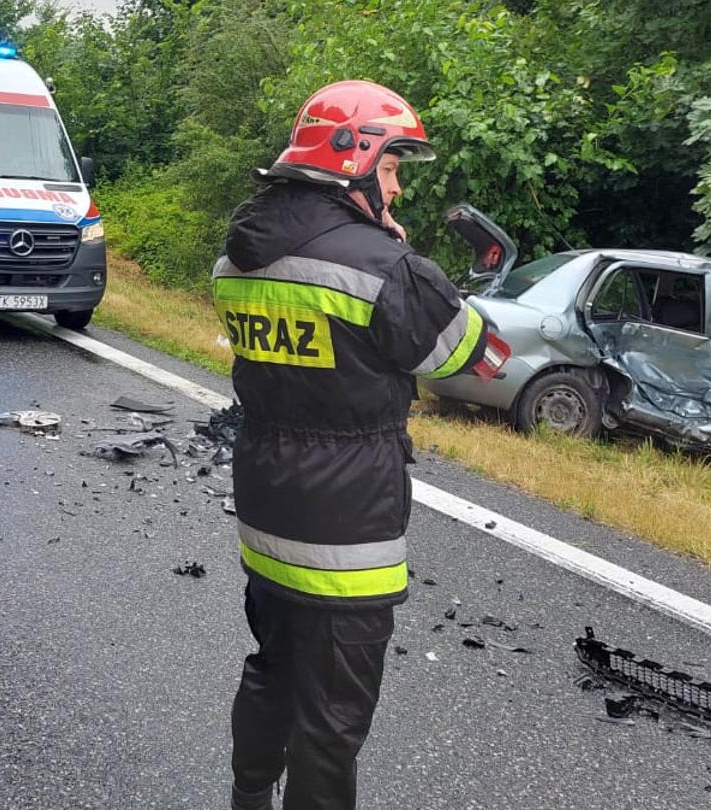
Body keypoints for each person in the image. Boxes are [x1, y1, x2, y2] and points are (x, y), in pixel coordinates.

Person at [216, 80, 503, 810]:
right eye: (393, 167)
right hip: (348, 523)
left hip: (266, 501)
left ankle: (249, 796)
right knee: (334, 718)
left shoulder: (239, 253)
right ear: (355, 159)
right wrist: (434, 275)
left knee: (272, 668)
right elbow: (470, 358)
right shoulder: (384, 266)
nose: (398, 187)